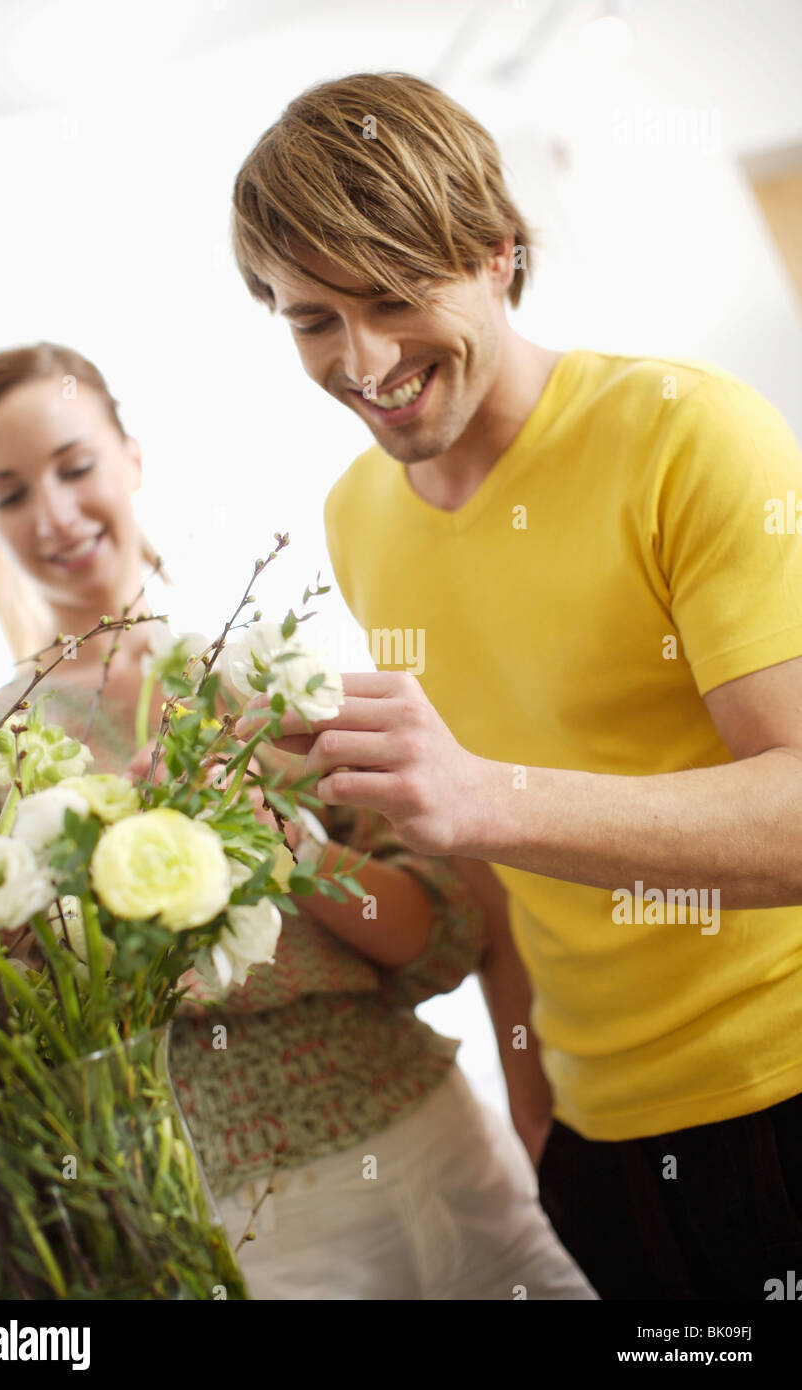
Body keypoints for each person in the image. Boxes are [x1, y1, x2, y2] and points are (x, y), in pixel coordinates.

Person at [230, 70, 802, 1300]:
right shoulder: (356, 515)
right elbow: (486, 865)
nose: (362, 360)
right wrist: (534, 1102)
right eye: (312, 318)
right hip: (600, 1140)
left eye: (394, 295)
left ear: (496, 253)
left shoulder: (687, 435)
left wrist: (484, 792)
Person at [0, 342, 597, 1301]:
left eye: (75, 468)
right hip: (234, 1218)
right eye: (6, 494)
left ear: (132, 457)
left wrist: (291, 848)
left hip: (439, 1142)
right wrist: (46, 937)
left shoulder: (267, 681)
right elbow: (1, 1050)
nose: (55, 515)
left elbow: (438, 936)